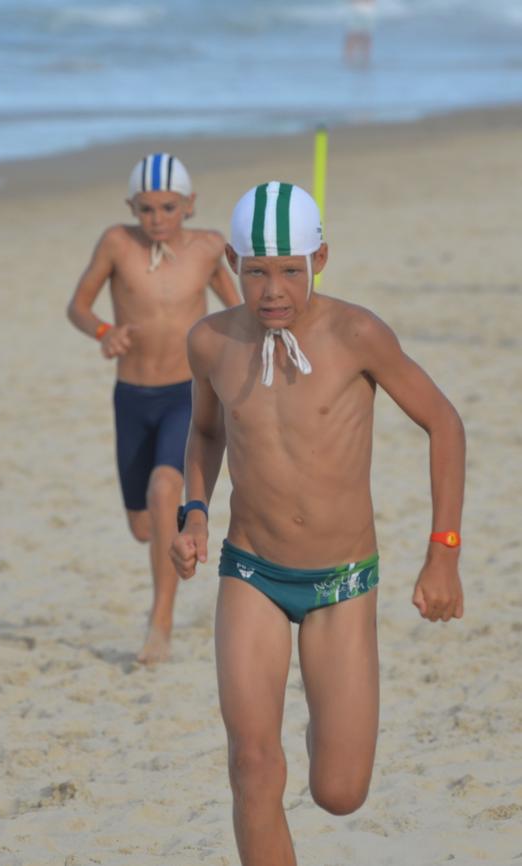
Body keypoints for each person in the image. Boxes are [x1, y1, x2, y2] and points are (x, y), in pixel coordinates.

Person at [170, 182, 465, 865]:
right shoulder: (211, 340)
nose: (273, 290)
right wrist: (194, 511)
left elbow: (444, 423)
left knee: (339, 792)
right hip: (251, 572)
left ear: (320, 259)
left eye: (291, 272)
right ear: (233, 265)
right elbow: (206, 434)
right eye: (255, 272)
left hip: (341, 581)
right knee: (252, 766)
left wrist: (442, 551)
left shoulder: (355, 333)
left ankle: (324, 735)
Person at [67, 152, 239, 664]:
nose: (157, 218)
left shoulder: (208, 248)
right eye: (146, 209)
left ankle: (159, 623)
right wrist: (104, 331)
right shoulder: (117, 244)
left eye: (168, 207)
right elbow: (78, 304)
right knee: (144, 527)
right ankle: (160, 575)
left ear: (189, 204)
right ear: (131, 207)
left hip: (186, 394)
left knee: (167, 488)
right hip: (132, 398)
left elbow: (237, 312)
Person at [344, 0, 376, 67]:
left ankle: (348, 60)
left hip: (356, 9)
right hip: (369, 10)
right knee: (366, 37)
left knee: (352, 36)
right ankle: (366, 60)